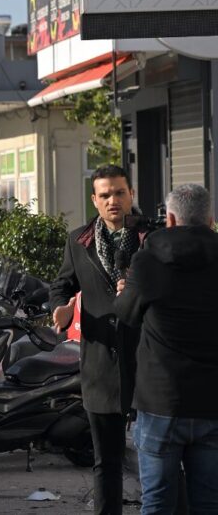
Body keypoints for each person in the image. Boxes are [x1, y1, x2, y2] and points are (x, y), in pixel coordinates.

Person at [115, 184, 218, 514]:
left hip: (160, 400)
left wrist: (126, 289)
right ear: (211, 220)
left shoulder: (146, 261)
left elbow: (125, 316)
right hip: (212, 401)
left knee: (157, 501)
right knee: (209, 502)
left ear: (170, 219)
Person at [50, 164, 142, 515]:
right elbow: (61, 285)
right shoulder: (79, 241)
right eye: (105, 195)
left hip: (149, 364)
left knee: (159, 460)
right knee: (107, 462)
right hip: (100, 364)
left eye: (119, 192)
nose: (113, 200)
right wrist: (60, 308)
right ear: (94, 200)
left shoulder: (152, 238)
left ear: (131, 193)